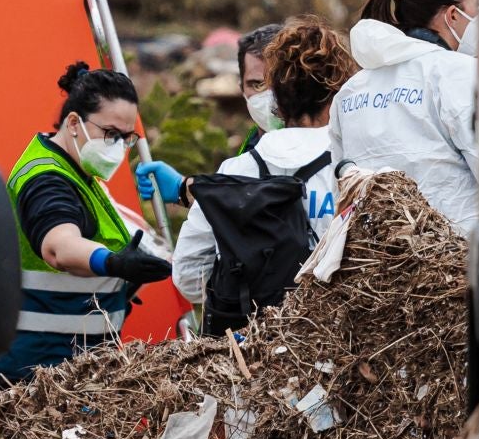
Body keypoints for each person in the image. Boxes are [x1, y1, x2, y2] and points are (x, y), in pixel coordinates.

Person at [146, 16, 355, 320]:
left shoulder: (236, 171)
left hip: (254, 351)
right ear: (338, 92)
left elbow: (187, 275)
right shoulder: (354, 169)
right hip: (335, 342)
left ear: (276, 99)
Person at [0, 62, 174, 388]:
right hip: (40, 371)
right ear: (74, 123)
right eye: (110, 134)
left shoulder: (75, 170)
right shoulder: (47, 180)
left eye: (127, 138)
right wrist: (112, 262)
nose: (118, 147)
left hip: (67, 361)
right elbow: (59, 245)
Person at [327, 0, 479, 230]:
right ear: (453, 15)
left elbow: (343, 187)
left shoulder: (350, 92)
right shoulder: (459, 74)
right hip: (457, 262)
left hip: (378, 267)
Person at [235, 23, 282, 155]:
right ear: (242, 89)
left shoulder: (331, 149)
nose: (270, 97)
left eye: (279, 84)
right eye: (257, 85)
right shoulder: (247, 149)